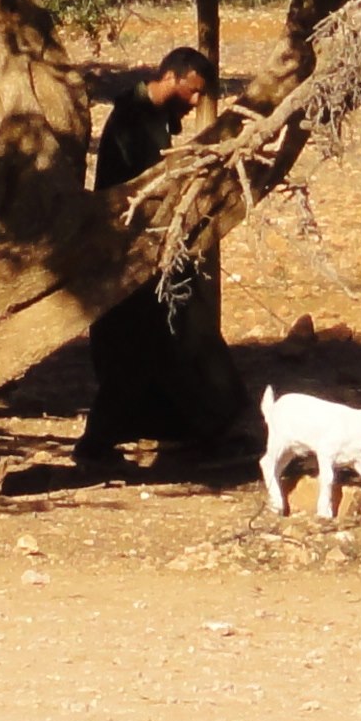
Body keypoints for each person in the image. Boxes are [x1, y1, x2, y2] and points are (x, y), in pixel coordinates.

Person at [75, 47, 243, 475]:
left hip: (150, 253)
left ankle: (193, 430)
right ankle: (96, 445)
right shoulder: (131, 119)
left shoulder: (154, 116)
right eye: (191, 91)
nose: (192, 102)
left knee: (171, 343)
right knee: (137, 353)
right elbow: (136, 187)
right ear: (171, 76)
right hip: (130, 256)